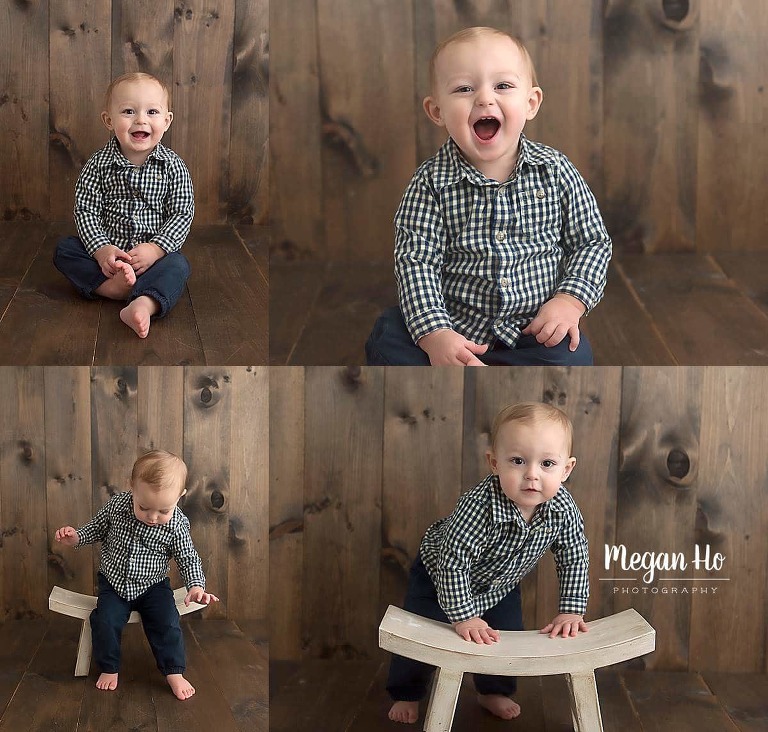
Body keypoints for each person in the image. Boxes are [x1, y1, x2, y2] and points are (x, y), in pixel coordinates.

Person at [366, 27, 611, 366]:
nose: (484, 98)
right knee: (388, 334)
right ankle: (455, 358)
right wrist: (436, 334)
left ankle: (495, 367)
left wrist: (570, 300)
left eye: (503, 86)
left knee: (575, 355)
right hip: (456, 326)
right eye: (464, 88)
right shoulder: (430, 184)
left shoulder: (555, 171)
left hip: (532, 329)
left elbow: (592, 242)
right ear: (436, 111)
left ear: (530, 103)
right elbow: (416, 263)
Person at [387, 402, 589, 724]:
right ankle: (406, 693)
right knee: (421, 635)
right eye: (518, 461)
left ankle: (492, 690)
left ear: (566, 470)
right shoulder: (479, 505)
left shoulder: (562, 508)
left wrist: (571, 608)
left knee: (505, 634)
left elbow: (574, 556)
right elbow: (453, 562)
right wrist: (464, 616)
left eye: (547, 463)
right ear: (494, 463)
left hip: (500, 583)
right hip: (439, 575)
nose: (532, 475)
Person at [54, 450, 218, 700]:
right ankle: (109, 667)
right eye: (144, 507)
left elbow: (188, 557)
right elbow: (95, 529)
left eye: (164, 510)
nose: (153, 517)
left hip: (154, 586)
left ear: (180, 497)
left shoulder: (177, 525)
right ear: (132, 487)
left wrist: (196, 586)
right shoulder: (117, 506)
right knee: (105, 620)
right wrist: (75, 537)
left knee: (166, 621)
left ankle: (174, 671)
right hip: (114, 583)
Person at [53, 72, 194, 339]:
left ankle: (144, 303)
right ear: (109, 120)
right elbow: (86, 211)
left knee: (179, 265)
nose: (141, 119)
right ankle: (111, 288)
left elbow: (181, 213)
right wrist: (101, 249)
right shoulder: (98, 165)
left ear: (167, 121)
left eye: (152, 112)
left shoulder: (173, 167)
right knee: (65, 250)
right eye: (129, 111)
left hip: (152, 261)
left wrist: (156, 249)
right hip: (108, 260)